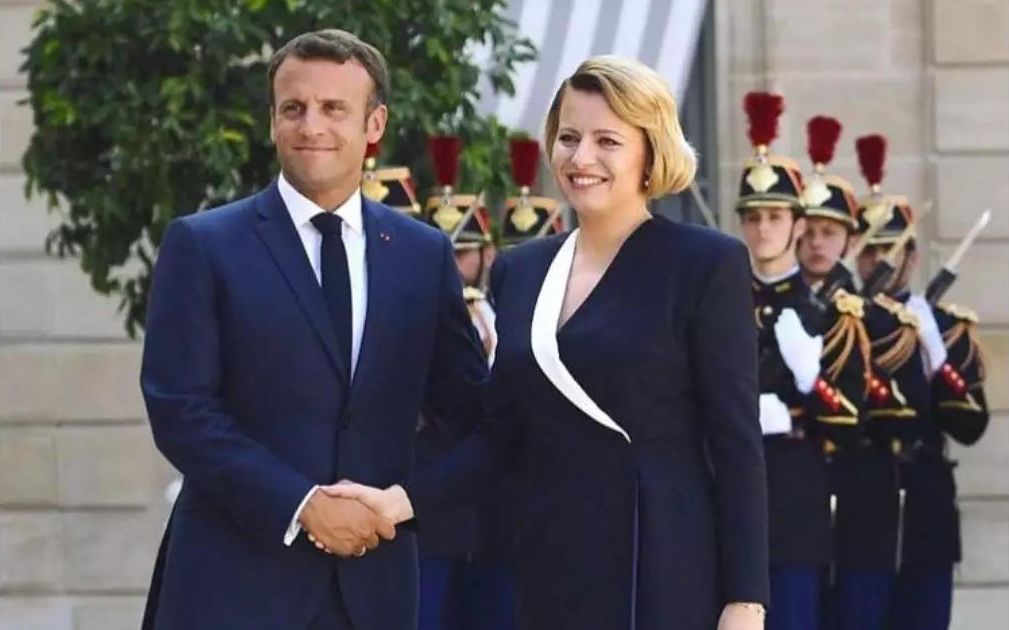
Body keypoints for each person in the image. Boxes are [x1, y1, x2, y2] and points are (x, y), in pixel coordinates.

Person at [330, 55, 769, 630]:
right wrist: (400, 501)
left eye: (607, 141)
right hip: (555, 562)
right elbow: (502, 434)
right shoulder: (521, 269)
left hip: (663, 564)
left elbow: (737, 445)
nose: (581, 158)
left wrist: (746, 599)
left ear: (650, 152)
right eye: (568, 137)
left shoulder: (705, 263)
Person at [139, 29, 487, 630]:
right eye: (293, 108)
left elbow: (469, 412)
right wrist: (303, 506)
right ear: (272, 120)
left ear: (374, 124)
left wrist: (402, 503)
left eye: (333, 108)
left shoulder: (422, 254)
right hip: (232, 586)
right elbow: (181, 410)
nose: (311, 126)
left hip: (374, 588)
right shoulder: (204, 244)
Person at [851, 136, 990, 630]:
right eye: (870, 252)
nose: (879, 262)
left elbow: (971, 424)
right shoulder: (844, 323)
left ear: (911, 257)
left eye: (890, 250)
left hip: (926, 506)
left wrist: (936, 352)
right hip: (862, 505)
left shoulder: (945, 327)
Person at [735, 96, 863, 630]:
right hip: (730, 501)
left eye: (775, 216)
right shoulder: (719, 301)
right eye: (753, 217)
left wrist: (810, 386)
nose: (763, 229)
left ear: (797, 224)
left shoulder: (829, 312)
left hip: (795, 498)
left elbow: (851, 419)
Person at [796, 123, 899, 630]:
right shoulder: (772, 309)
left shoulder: (879, 319)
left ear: (852, 241)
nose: (817, 244)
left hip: (861, 490)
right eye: (809, 232)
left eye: (830, 233)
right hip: (794, 498)